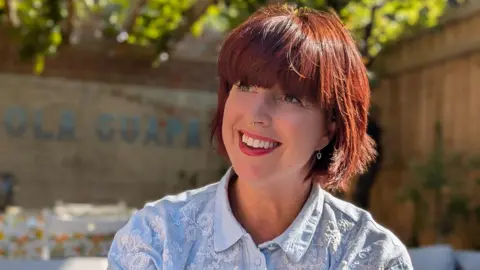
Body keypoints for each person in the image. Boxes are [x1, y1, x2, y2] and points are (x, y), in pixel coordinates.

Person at [107, 4, 412, 269]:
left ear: (329, 128)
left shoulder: (370, 256)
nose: (256, 114)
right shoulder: (155, 238)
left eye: (290, 98)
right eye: (245, 86)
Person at [353, 107, 383, 210]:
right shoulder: (374, 128)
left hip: (369, 162)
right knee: (361, 191)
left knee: (362, 191)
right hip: (369, 162)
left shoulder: (371, 128)